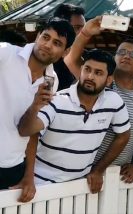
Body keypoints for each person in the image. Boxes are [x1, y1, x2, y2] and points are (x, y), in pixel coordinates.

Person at [64, 17, 133, 183]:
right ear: (114, 58)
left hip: (119, 177)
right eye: (122, 52)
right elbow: (70, 60)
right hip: (80, 171)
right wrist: (85, 33)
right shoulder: (99, 82)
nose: (127, 56)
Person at [17, 49, 131, 193]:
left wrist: (98, 170)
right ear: (81, 70)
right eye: (87, 69)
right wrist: (28, 178)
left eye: (98, 73)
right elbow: (29, 133)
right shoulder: (57, 100)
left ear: (109, 80)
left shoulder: (114, 101)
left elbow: (124, 136)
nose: (90, 76)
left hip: (81, 187)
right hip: (42, 185)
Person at [0, 17, 75, 202]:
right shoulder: (6, 54)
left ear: (65, 52)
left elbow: (33, 132)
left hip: (13, 167)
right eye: (45, 37)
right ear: (37, 36)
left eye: (57, 43)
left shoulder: (52, 80)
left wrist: (28, 175)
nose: (48, 45)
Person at [53, 3, 86, 90]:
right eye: (77, 28)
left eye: (84, 28)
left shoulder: (87, 58)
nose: (82, 33)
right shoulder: (45, 58)